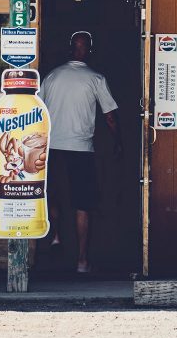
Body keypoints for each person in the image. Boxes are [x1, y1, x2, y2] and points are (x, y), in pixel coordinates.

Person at [41, 30, 121, 274]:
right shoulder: (96, 78)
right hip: (81, 149)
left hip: (52, 146)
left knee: (52, 193)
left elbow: (38, 111)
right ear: (89, 50)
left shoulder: (52, 76)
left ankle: (55, 235)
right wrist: (118, 140)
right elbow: (109, 116)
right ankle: (82, 260)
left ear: (70, 48)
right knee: (82, 204)